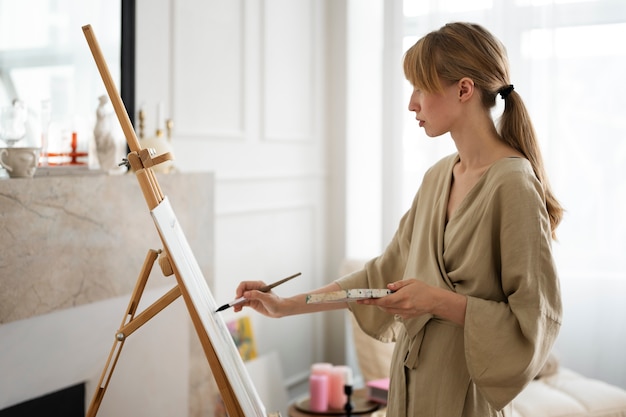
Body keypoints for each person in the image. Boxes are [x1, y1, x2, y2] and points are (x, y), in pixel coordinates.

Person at [233, 22, 563, 417]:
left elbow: (534, 319)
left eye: (421, 87)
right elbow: (378, 276)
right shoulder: (438, 176)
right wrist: (284, 305)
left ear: (463, 89)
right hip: (410, 388)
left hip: (464, 397)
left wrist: (439, 301)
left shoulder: (513, 184)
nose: (412, 103)